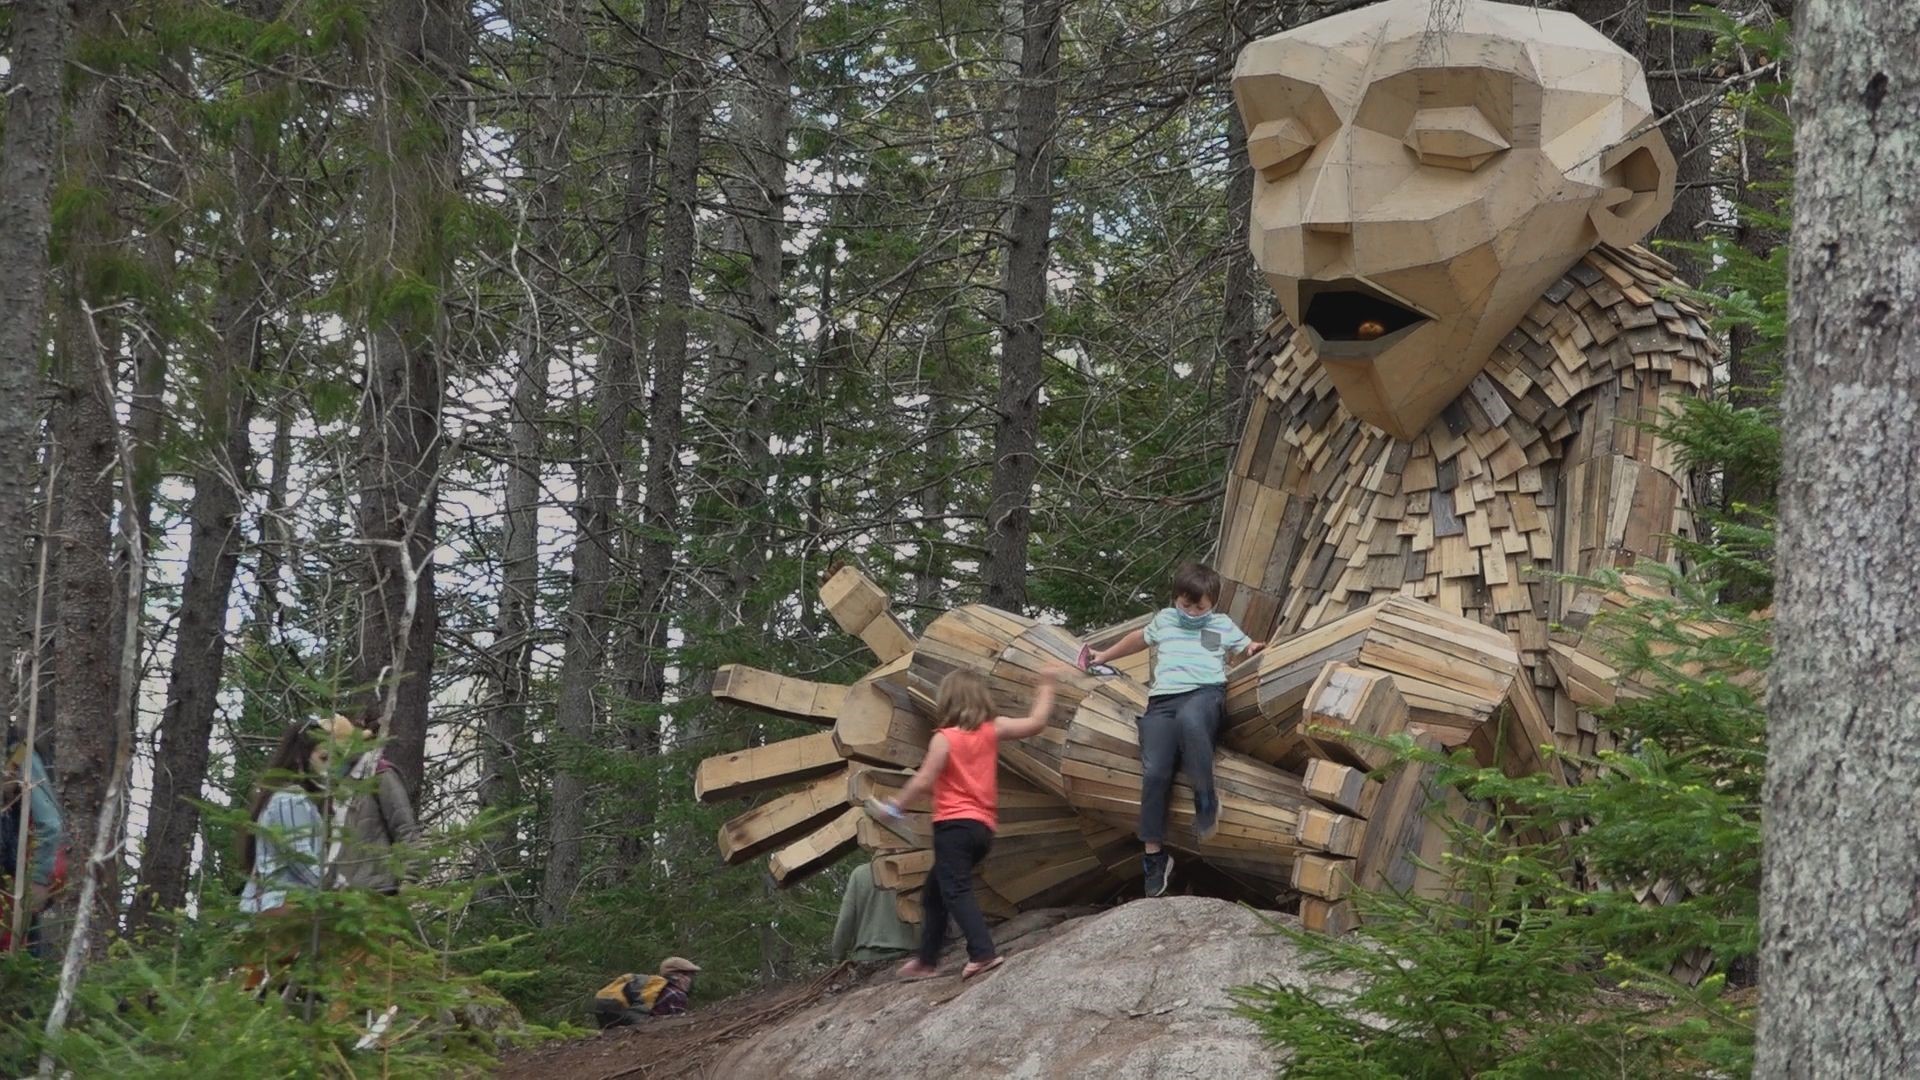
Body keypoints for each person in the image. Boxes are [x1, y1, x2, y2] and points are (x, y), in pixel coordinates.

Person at [1079, 562, 1264, 897]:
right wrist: (1103, 656)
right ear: (1176, 598)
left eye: (1200, 608)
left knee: (1191, 721)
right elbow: (1138, 639)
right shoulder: (1165, 620)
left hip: (1204, 694)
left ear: (1212, 603)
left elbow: (1245, 647)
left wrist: (1252, 649)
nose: (1191, 613)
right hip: (1162, 701)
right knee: (1155, 772)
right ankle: (1154, 857)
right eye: (1185, 605)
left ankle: (1205, 799)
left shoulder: (1221, 625)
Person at [884, 666, 1062, 981]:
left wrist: (896, 806)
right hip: (982, 829)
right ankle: (926, 961)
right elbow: (1036, 722)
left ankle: (982, 954)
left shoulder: (944, 739)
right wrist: (1047, 684)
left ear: (947, 700)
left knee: (956, 890)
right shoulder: (992, 729)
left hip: (953, 827)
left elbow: (924, 779)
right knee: (935, 893)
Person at [240, 716, 351, 916]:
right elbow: (298, 856)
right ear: (301, 756)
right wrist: (335, 889)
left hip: (290, 903)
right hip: (285, 903)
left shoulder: (294, 798)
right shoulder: (291, 798)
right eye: (324, 758)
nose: (329, 767)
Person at [331, 709, 421, 894]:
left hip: (378, 889)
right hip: (340, 895)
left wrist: (409, 879)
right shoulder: (334, 782)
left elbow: (404, 827)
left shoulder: (381, 774)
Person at [1, 733, 64, 956]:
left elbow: (50, 824)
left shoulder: (18, 752)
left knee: (18, 950)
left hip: (18, 878)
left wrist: (38, 879)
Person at [830, 861, 916, 964]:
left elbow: (846, 919)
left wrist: (837, 957)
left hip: (867, 959)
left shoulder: (860, 874)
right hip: (910, 958)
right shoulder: (915, 870)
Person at [592, 956, 701, 1028]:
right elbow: (677, 1024)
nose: (691, 980)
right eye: (689, 975)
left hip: (607, 1011)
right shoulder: (676, 995)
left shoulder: (656, 988)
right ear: (678, 976)